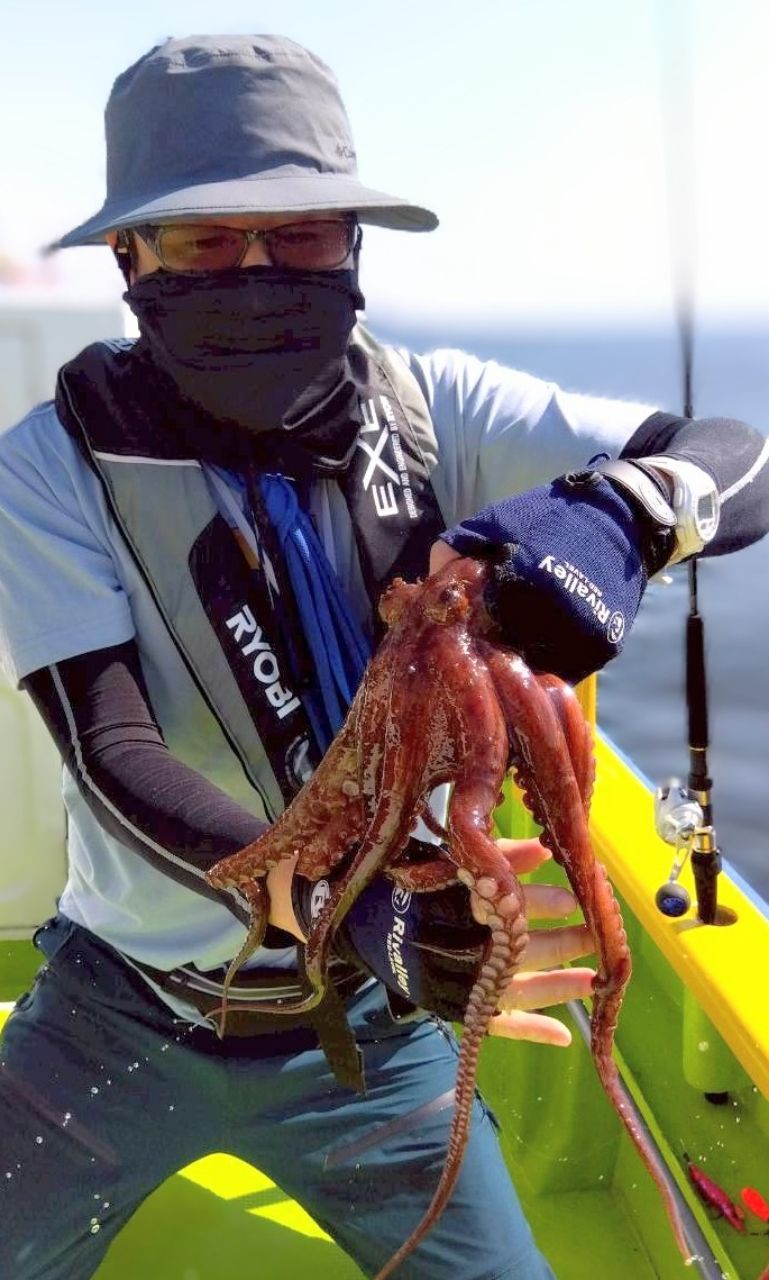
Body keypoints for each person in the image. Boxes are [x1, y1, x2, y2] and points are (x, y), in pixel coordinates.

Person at [0, 33, 767, 1280]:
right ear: (130, 258)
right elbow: (111, 748)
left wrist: (623, 512)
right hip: (123, 1009)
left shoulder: (435, 409)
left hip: (373, 1029)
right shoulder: (51, 465)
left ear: (352, 247)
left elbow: (739, 455)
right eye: (205, 241)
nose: (255, 270)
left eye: (298, 235)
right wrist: (353, 911)